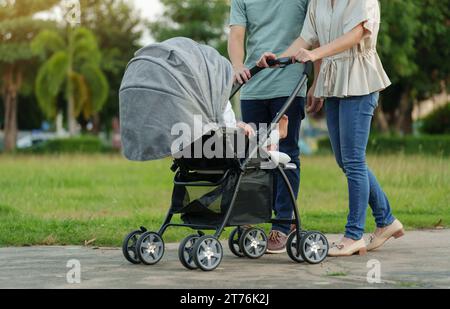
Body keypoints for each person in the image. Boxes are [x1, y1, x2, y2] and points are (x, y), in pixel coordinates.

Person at [258, 0, 404, 257]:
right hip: (333, 81)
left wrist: (316, 54)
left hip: (360, 79)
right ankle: (386, 221)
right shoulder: (319, 2)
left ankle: (353, 235)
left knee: (353, 161)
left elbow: (357, 33)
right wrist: (278, 58)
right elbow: (306, 37)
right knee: (345, 160)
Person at [228, 0, 310, 254]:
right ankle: (252, 218)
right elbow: (236, 34)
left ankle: (284, 223)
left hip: (289, 84)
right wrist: (237, 65)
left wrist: (316, 82)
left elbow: (314, 34)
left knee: (284, 153)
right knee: (253, 157)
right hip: (253, 86)